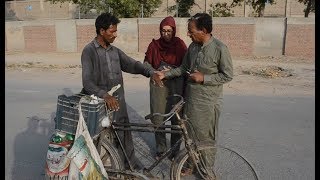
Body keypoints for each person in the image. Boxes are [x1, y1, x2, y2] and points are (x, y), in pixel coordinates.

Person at [153, 13, 233, 176]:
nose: (188, 34)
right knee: (189, 135)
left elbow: (228, 75)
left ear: (203, 30)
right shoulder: (193, 47)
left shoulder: (220, 48)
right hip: (190, 101)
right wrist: (165, 74)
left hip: (207, 103)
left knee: (205, 139)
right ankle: (191, 164)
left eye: (191, 31)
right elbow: (183, 69)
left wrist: (204, 78)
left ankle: (206, 170)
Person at [80, 12, 155, 170]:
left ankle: (130, 167)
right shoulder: (89, 51)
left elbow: (132, 64)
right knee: (102, 140)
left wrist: (151, 72)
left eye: (115, 31)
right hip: (100, 104)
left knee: (124, 134)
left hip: (118, 101)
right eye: (112, 31)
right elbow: (87, 82)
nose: (115, 34)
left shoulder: (114, 51)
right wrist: (105, 95)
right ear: (102, 31)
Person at [143, 16, 188, 161]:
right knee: (158, 117)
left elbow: (185, 66)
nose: (166, 34)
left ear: (174, 30)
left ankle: (175, 151)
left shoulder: (180, 45)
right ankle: (161, 149)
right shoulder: (154, 45)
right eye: (163, 31)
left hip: (176, 84)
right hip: (159, 85)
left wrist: (169, 72)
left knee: (176, 118)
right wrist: (154, 72)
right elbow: (146, 63)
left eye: (169, 31)